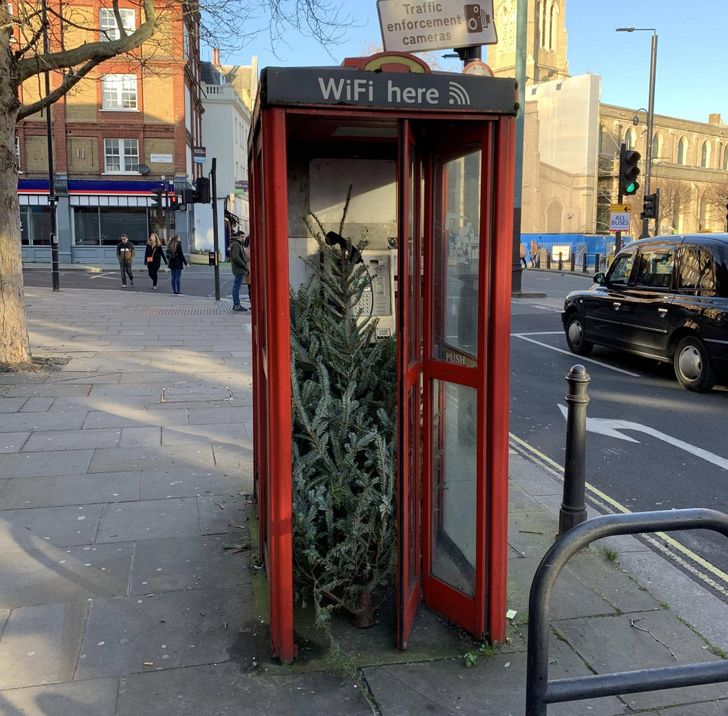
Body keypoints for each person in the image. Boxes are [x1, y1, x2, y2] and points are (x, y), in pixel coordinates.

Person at [230, 231, 249, 312]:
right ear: (238, 237)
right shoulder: (236, 244)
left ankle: (237, 304)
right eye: (241, 237)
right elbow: (236, 257)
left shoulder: (237, 244)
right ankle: (237, 304)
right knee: (236, 287)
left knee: (236, 287)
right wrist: (244, 265)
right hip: (238, 268)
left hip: (238, 268)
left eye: (244, 237)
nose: (243, 238)